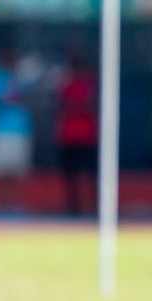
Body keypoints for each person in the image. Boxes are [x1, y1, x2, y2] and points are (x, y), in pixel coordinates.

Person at [0, 47, 32, 212]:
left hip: (20, 130)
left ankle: (15, 202)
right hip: (0, 130)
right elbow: (0, 99)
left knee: (16, 171)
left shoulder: (21, 77)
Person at [54, 50, 99, 216]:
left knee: (91, 174)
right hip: (70, 135)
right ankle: (73, 207)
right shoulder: (65, 83)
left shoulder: (88, 82)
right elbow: (61, 108)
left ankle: (97, 206)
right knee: (71, 175)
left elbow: (90, 106)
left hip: (86, 135)